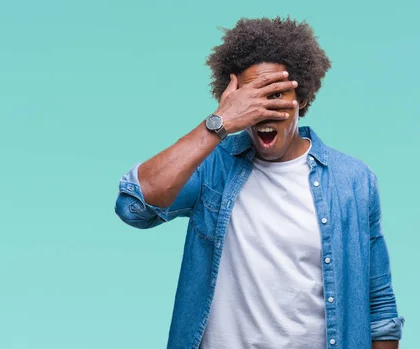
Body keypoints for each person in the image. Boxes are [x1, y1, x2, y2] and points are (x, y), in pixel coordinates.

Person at [114, 16, 404, 349]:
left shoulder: (353, 182)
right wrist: (219, 123)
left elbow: (380, 311)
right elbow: (134, 207)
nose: (262, 111)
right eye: (252, 99)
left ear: (303, 99)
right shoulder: (214, 169)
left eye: (275, 95)